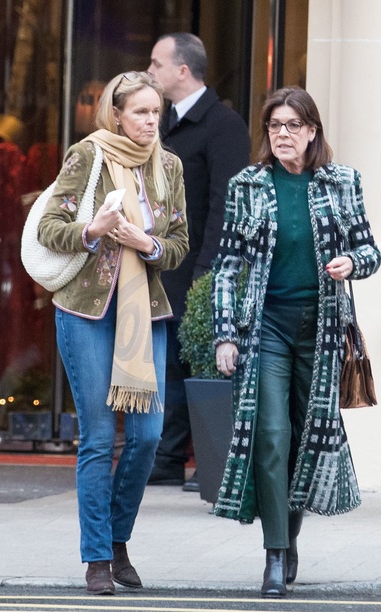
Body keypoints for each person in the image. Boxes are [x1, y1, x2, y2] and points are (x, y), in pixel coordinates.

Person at [212, 86, 381, 598]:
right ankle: (274, 553)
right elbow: (228, 267)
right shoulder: (248, 185)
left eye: (292, 125)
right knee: (271, 435)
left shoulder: (341, 182)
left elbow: (370, 251)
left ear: (311, 131)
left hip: (323, 330)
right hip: (267, 327)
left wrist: (352, 262)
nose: (281, 134)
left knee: (308, 438)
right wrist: (225, 335)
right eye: (274, 126)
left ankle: (290, 536)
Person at [38, 71, 189, 595]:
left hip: (144, 312)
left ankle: (117, 538)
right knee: (100, 438)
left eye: (156, 112)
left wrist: (147, 245)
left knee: (147, 437)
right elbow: (48, 228)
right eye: (140, 112)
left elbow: (178, 243)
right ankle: (98, 557)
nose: (150, 121)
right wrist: (93, 230)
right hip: (86, 311)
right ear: (117, 114)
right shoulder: (88, 155)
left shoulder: (169, 166)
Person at [147, 32, 250, 490]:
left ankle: (207, 462)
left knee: (202, 366)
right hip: (163, 268)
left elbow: (226, 206)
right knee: (168, 364)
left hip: (200, 270)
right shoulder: (163, 123)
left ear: (182, 70)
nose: (150, 72)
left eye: (156, 64)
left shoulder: (223, 125)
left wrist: (209, 272)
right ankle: (167, 458)